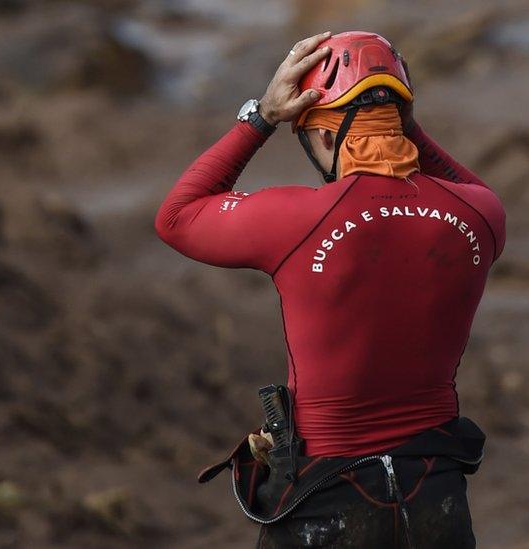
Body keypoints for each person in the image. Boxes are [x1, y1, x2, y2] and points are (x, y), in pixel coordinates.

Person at [156, 30, 505, 548]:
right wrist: (401, 120)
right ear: (400, 123)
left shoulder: (299, 218)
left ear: (321, 135)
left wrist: (261, 118)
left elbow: (177, 216)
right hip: (436, 496)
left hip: (327, 501)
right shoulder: (479, 217)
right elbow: (472, 190)